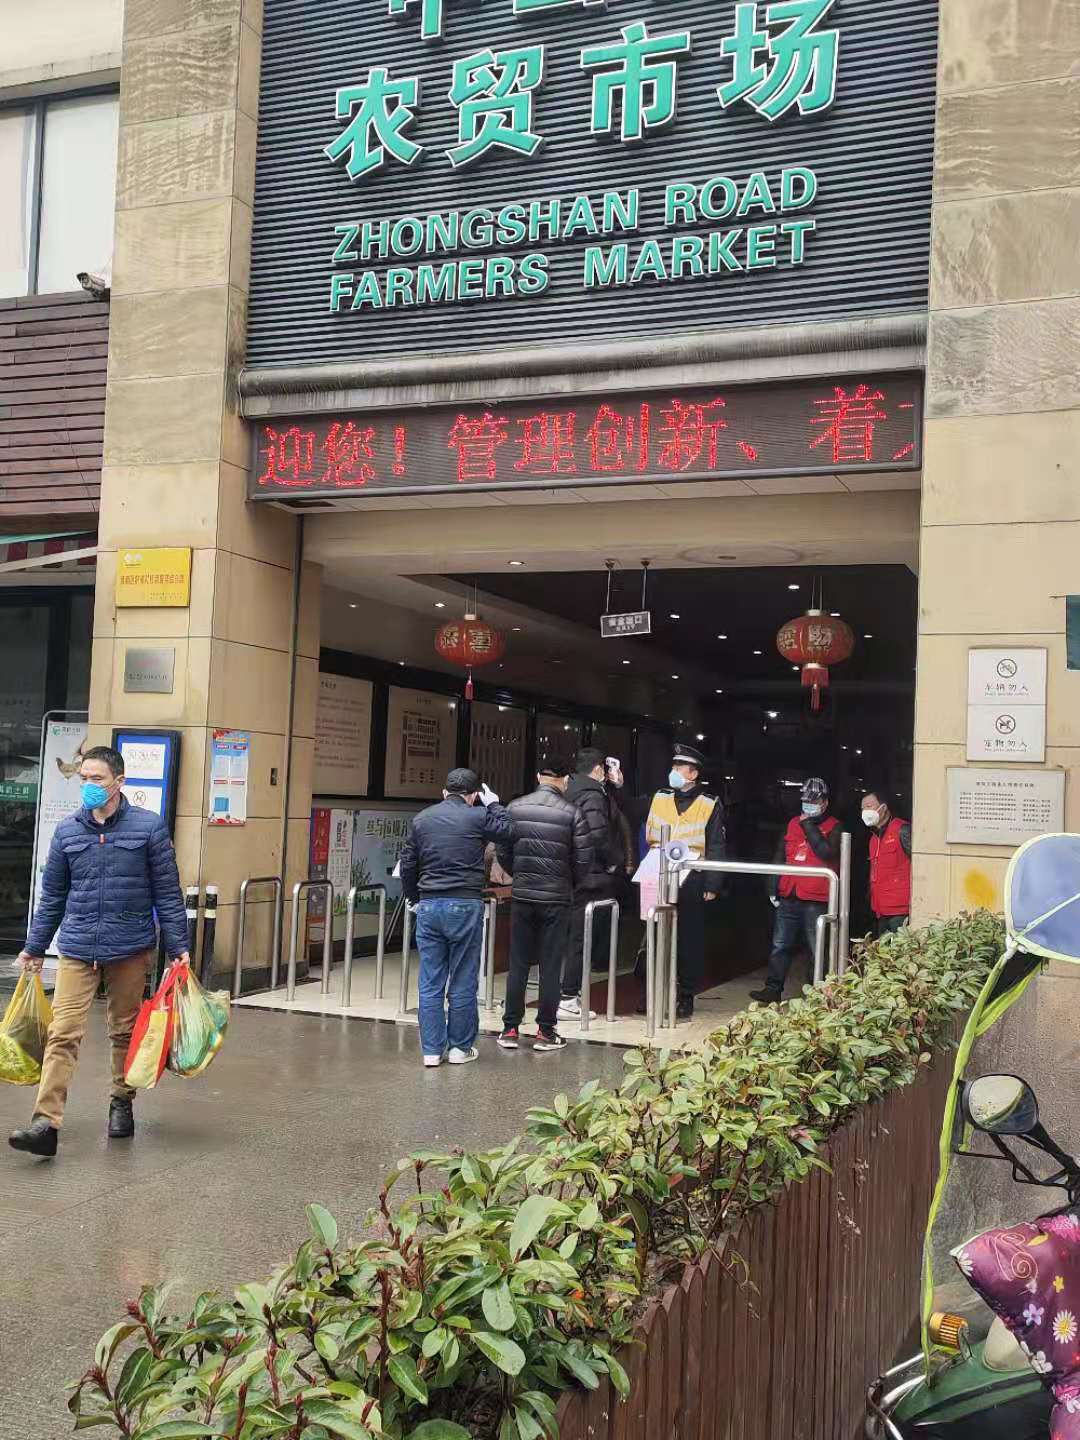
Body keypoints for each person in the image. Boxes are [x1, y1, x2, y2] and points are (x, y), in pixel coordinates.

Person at [8, 746, 191, 1159]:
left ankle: (121, 1101)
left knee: (123, 1030)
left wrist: (179, 946)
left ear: (119, 782)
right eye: (84, 779)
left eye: (97, 779)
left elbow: (167, 892)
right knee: (62, 1033)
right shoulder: (67, 832)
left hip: (129, 945)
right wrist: (34, 947)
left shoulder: (148, 828)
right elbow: (52, 897)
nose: (89, 786)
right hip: (77, 947)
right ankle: (46, 1122)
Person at [399, 767, 510, 1069]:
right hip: (465, 904)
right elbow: (507, 831)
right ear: (473, 796)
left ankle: (431, 1051)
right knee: (463, 977)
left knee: (430, 980)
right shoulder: (478, 815)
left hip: (429, 904)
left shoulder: (422, 819)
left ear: (444, 792)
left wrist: (414, 897)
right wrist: (494, 804)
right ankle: (460, 1048)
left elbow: (408, 863)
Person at [497, 759, 592, 1052]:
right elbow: (584, 860)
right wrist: (567, 881)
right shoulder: (573, 813)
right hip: (556, 898)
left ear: (539, 777)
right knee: (550, 966)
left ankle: (510, 1029)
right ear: (565, 780)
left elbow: (503, 851)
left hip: (523, 896)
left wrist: (520, 875)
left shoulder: (515, 808)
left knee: (518, 964)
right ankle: (545, 1032)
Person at [643, 743, 726, 1020]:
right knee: (655, 933)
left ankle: (686, 995)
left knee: (688, 938)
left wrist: (713, 884)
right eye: (674, 766)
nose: (674, 771)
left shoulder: (709, 803)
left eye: (679, 767)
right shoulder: (660, 797)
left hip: (692, 876)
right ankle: (652, 992)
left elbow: (716, 844)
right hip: (658, 872)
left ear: (693, 773)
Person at [751, 777, 841, 1005]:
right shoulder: (792, 823)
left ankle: (818, 994)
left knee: (817, 948)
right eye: (805, 800)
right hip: (789, 893)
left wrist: (808, 826)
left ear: (825, 802)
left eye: (814, 801)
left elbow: (827, 852)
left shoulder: (835, 827)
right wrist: (772, 885)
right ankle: (772, 989)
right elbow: (780, 855)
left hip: (816, 898)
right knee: (780, 945)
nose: (808, 805)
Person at [558, 747, 622, 1021]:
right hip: (588, 875)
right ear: (598, 769)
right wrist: (613, 861)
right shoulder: (593, 795)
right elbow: (598, 835)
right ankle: (568, 997)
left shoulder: (566, 789)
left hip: (564, 873)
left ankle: (558, 994)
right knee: (580, 938)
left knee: (563, 936)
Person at [862, 789, 912, 935]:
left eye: (869, 806)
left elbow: (920, 865)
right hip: (880, 910)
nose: (865, 811)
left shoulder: (903, 830)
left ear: (883, 808)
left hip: (901, 911)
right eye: (862, 808)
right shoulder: (873, 839)